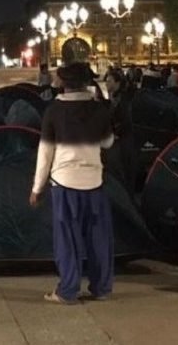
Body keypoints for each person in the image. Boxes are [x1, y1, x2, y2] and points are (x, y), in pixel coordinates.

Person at [30, 62, 115, 304]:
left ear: (64, 84)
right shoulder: (99, 110)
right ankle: (101, 288)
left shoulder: (53, 111)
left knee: (67, 239)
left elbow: (45, 153)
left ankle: (68, 290)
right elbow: (108, 142)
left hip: (64, 182)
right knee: (98, 238)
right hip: (94, 181)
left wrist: (37, 187)